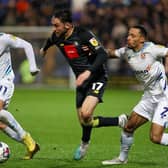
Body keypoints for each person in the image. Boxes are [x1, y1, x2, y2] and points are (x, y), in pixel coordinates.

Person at [40, 10, 127, 160]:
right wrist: (44, 49)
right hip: (82, 82)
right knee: (84, 120)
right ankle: (118, 121)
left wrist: (88, 72)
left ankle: (84, 145)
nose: (54, 29)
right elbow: (50, 40)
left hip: (97, 77)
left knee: (86, 114)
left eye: (56, 25)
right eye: (53, 25)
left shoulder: (83, 34)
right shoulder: (57, 36)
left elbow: (102, 54)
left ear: (67, 25)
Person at [102, 25, 168, 165]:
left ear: (142, 39)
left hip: (164, 98)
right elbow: (110, 53)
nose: (128, 37)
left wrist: (166, 67)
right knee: (129, 127)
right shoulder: (126, 51)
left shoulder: (152, 49)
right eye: (128, 35)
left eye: (133, 35)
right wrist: (92, 49)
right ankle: (122, 158)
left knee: (155, 138)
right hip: (149, 98)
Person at [0, 32, 40, 160]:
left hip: (4, 81)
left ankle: (26, 137)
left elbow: (27, 45)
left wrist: (33, 67)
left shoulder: (4, 39)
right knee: (0, 124)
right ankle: (31, 144)